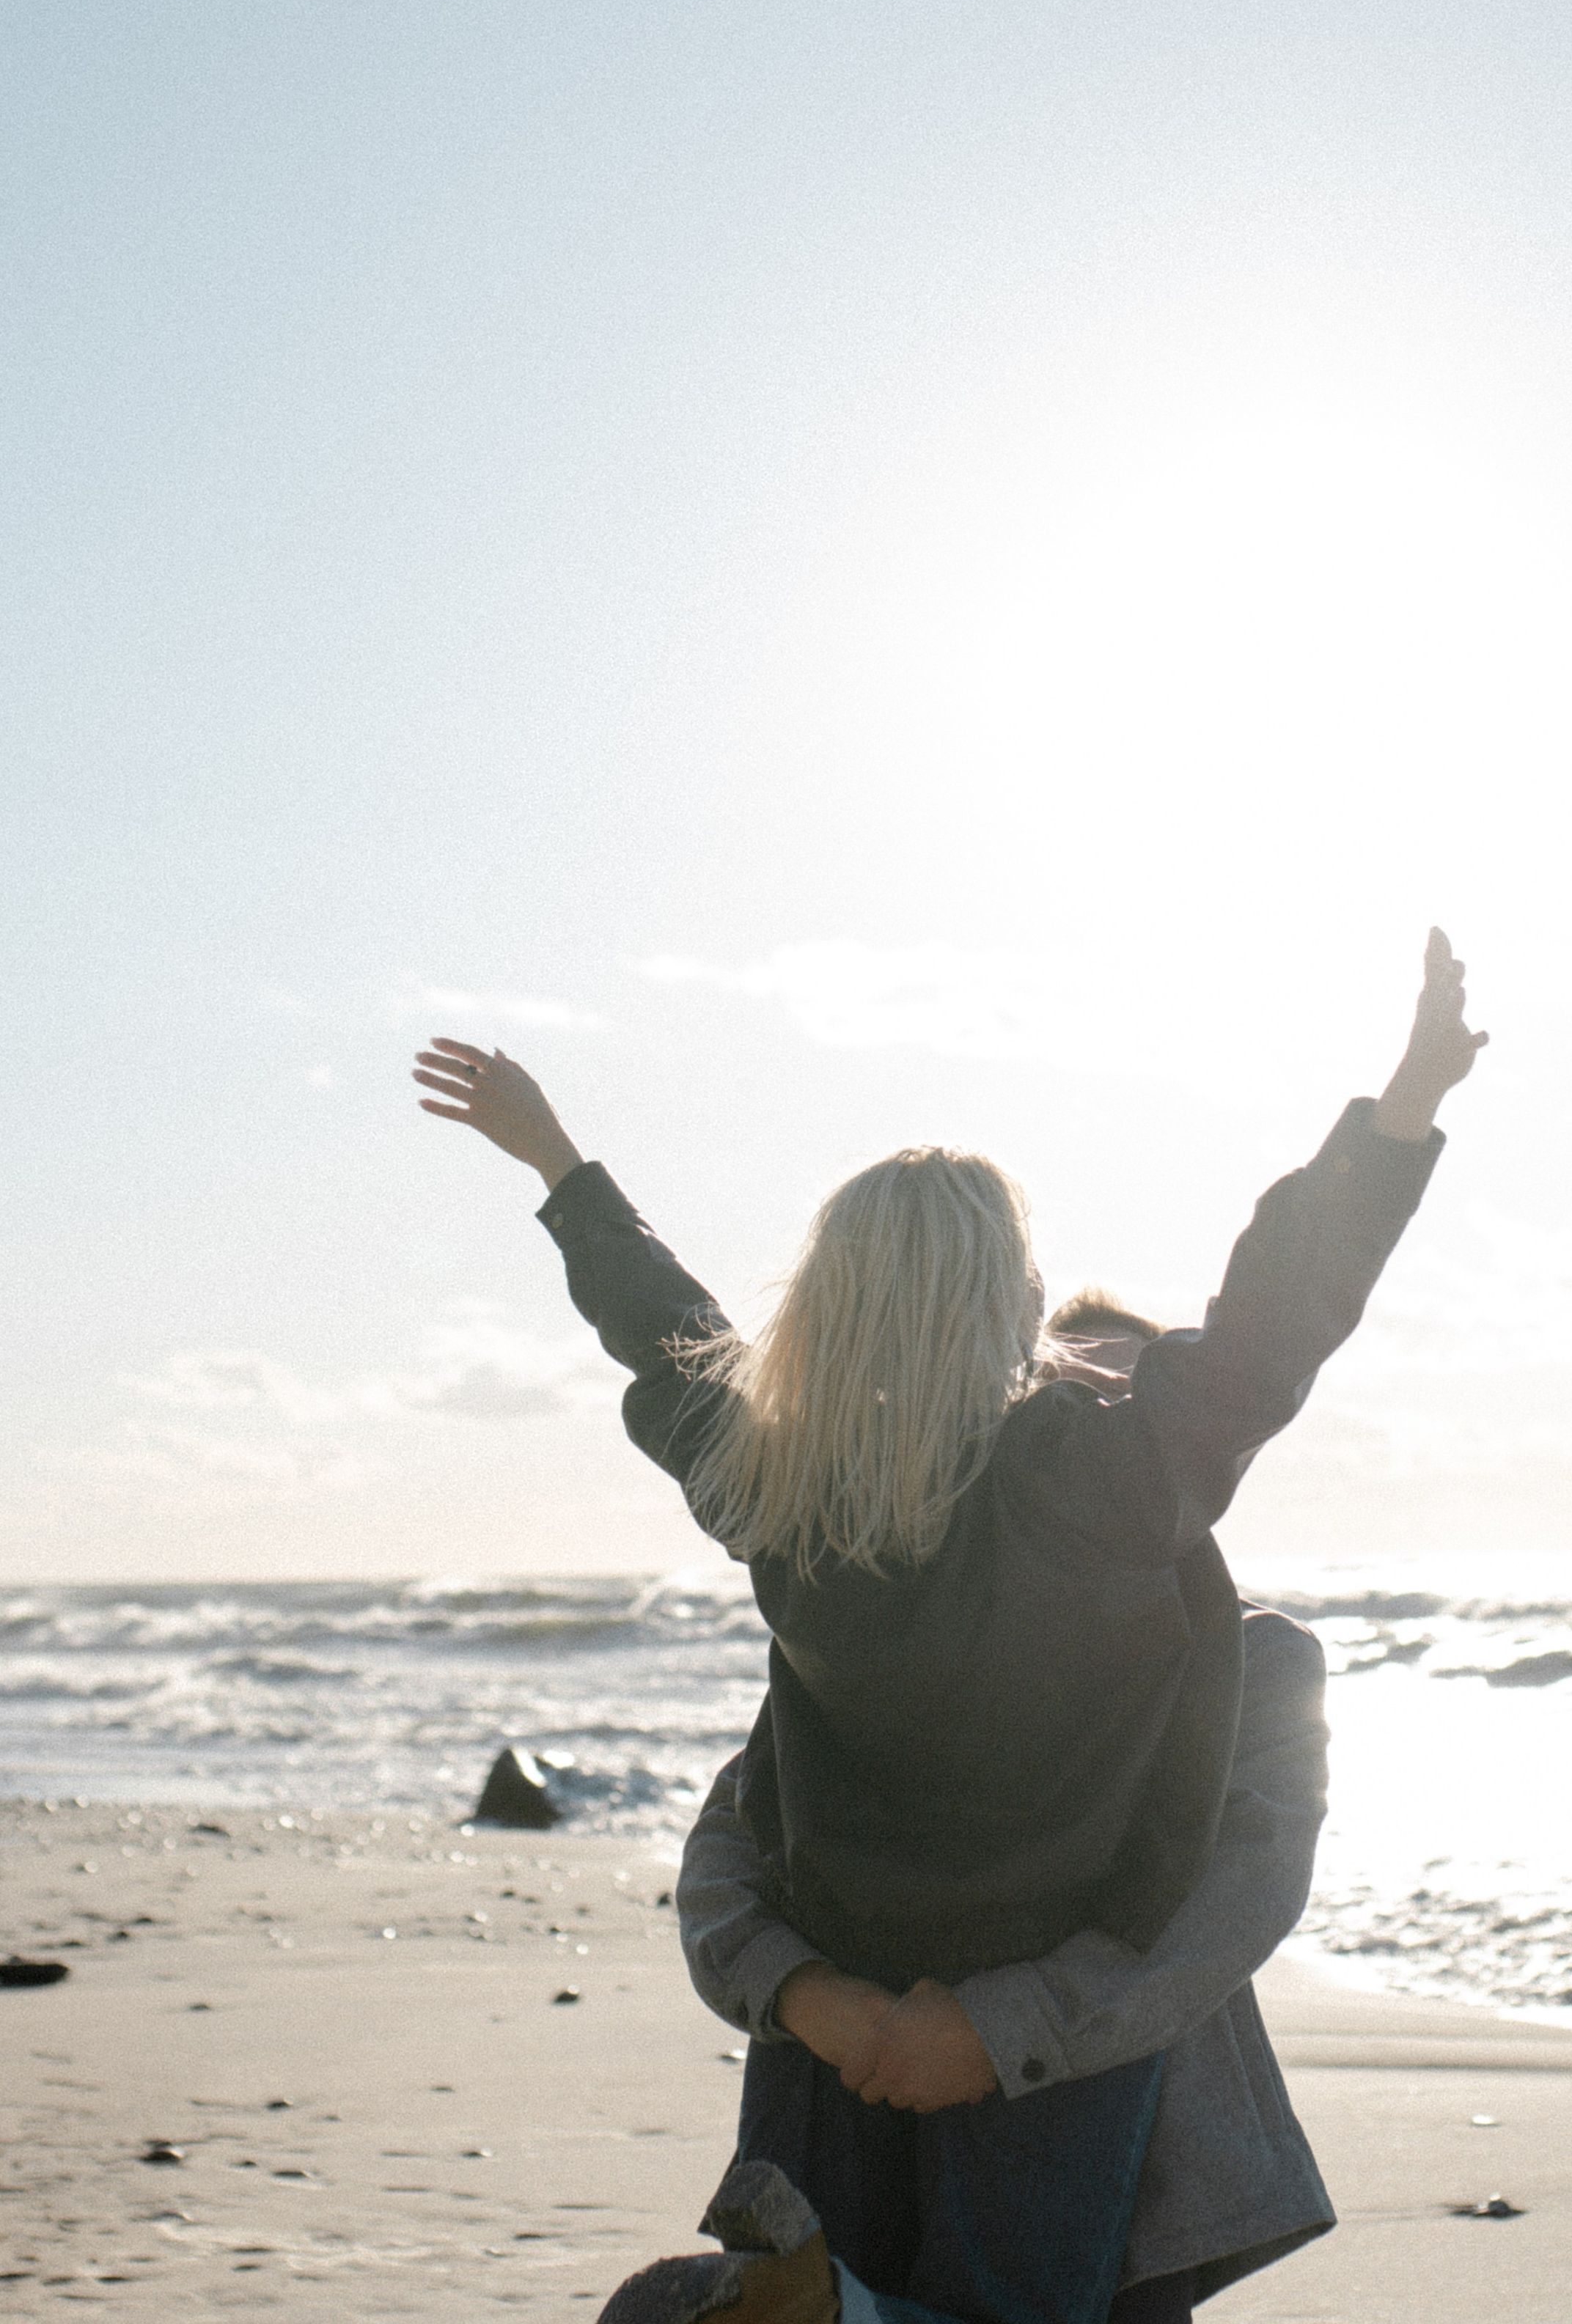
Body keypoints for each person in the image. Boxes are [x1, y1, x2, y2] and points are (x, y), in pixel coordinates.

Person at [413, 928, 1485, 2324]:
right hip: (1041, 2018)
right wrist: (1403, 1110)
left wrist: (560, 1164)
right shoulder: (1105, 1477)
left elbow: (667, 1332)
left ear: (831, 1312)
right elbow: (1275, 1322)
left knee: (849, 2269)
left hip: (837, 2002)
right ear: (1016, 1301)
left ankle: (824, 2306)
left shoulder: (782, 1492)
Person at [679, 1574, 1337, 2324]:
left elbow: (1237, 1897)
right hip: (844, 2097)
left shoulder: (1248, 1650)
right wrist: (798, 1991)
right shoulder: (883, 1618)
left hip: (1096, 2105)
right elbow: (735, 1834)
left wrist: (997, 2030)